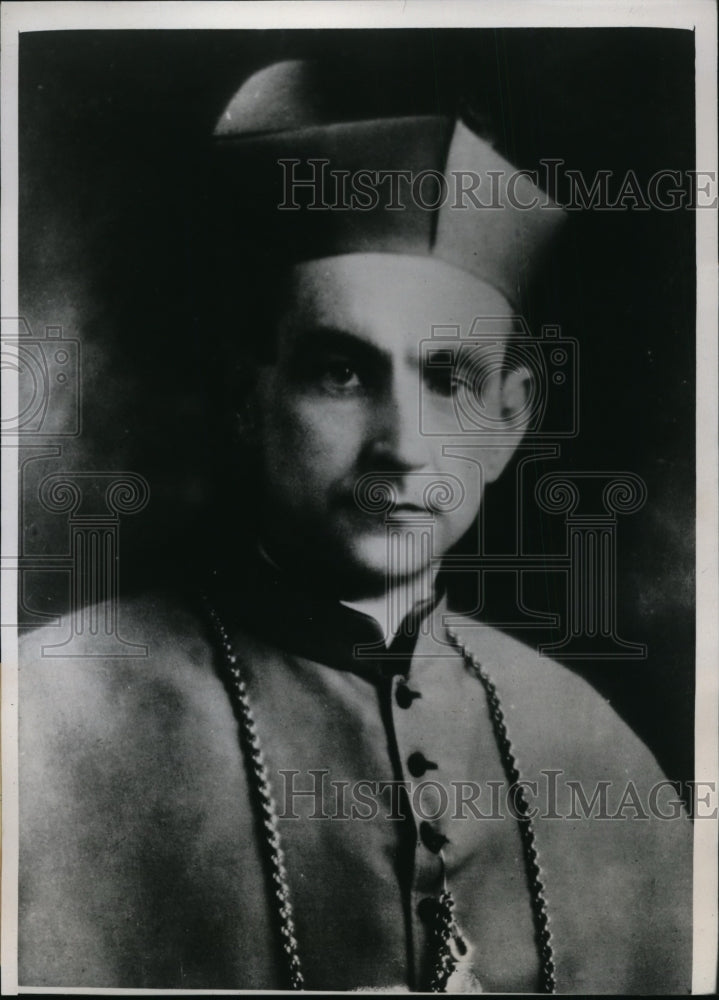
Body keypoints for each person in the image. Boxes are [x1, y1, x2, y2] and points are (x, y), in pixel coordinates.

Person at [19, 59, 691, 993]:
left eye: (448, 379)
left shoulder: (600, 753)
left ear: (509, 420)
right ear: (244, 396)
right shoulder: (39, 722)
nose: (403, 448)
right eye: (340, 372)